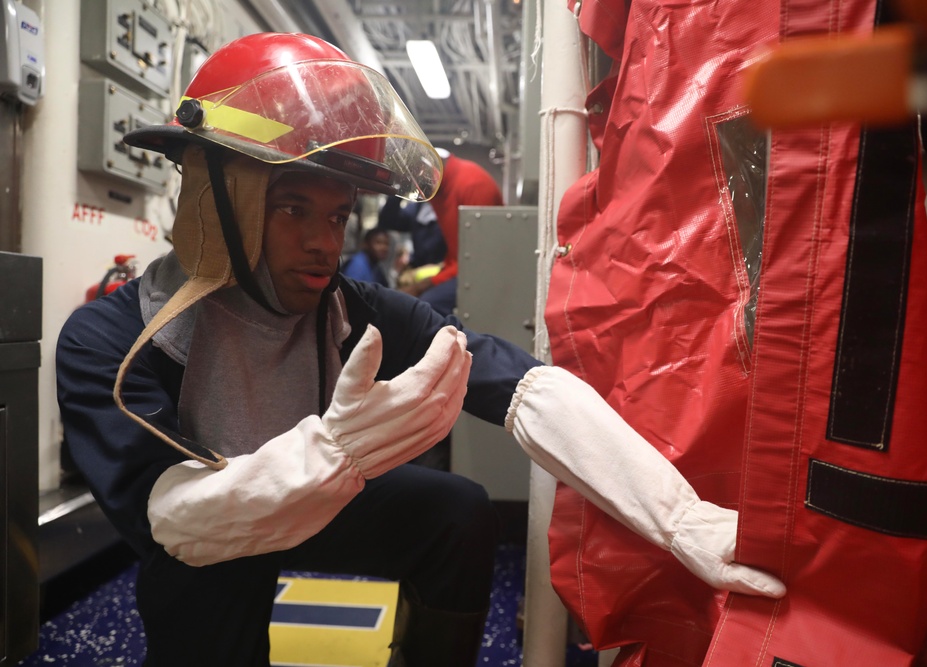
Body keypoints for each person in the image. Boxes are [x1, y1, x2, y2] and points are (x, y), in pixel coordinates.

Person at [55, 33, 785, 667]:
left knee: (458, 512)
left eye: (337, 214)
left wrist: (679, 514)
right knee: (202, 581)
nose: (323, 242)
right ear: (220, 200)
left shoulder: (349, 307)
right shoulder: (114, 341)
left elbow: (519, 382)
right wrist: (329, 454)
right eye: (291, 209)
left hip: (317, 498)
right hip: (211, 539)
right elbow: (175, 519)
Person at [397, 148, 503, 316]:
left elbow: (479, 260)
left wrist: (424, 285)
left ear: (425, 169)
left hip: (480, 272)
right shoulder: (436, 188)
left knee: (427, 307)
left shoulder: (472, 184)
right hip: (461, 268)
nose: (416, 188)